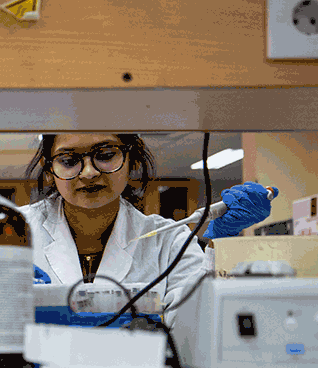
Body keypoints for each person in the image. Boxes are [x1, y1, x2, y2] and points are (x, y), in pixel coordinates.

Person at [21, 133, 275, 328]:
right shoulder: (15, 231)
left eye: (106, 155)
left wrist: (219, 247)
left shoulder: (169, 239)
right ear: (48, 169)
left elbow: (196, 328)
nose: (88, 172)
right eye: (69, 160)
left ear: (131, 160)